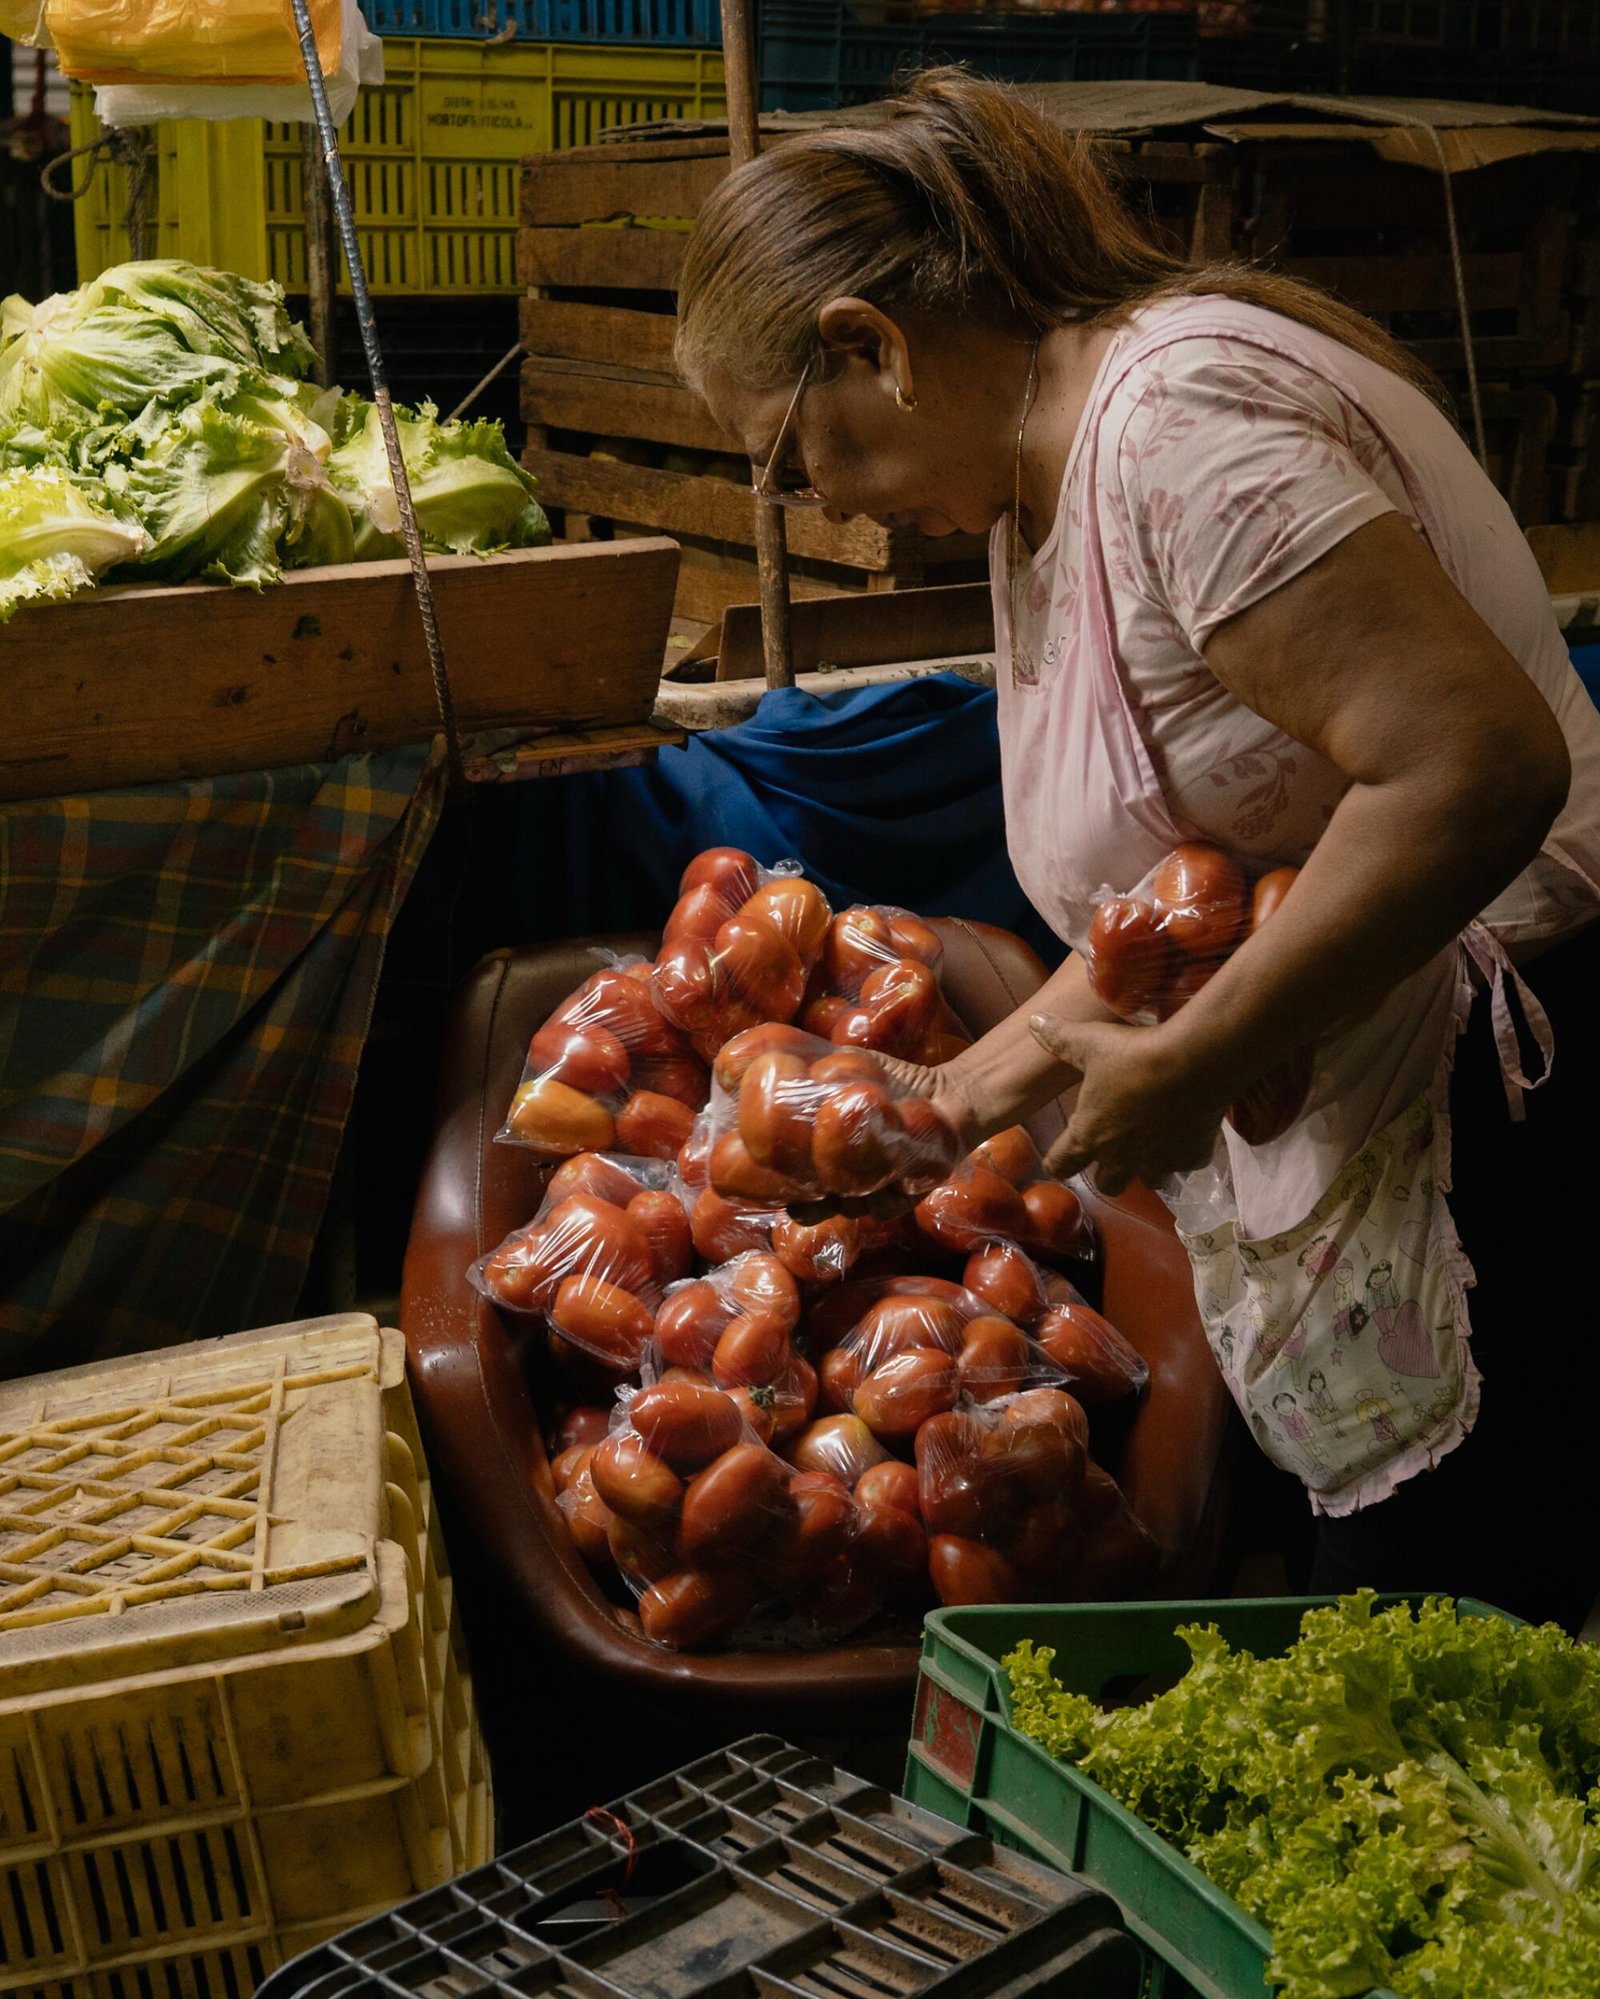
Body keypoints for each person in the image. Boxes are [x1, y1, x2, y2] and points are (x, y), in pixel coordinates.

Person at [675, 70, 1600, 1633]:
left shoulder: (1178, 430)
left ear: (870, 349)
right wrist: (963, 1099)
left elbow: (1472, 767)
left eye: (785, 459)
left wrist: (1197, 1060)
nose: (816, 506)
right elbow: (1186, 897)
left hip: (1514, 1134)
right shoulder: (1039, 485)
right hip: (1387, 1123)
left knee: (1455, 1686)